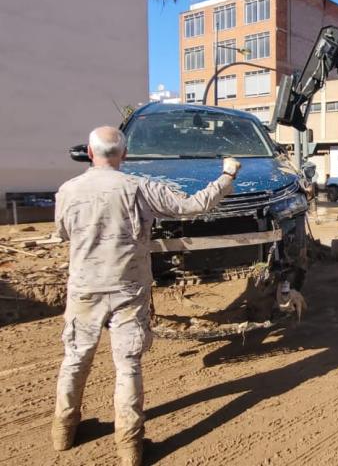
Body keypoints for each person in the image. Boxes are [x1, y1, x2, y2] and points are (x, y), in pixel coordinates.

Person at [51, 126, 246, 465]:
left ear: (90, 152)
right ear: (124, 155)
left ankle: (63, 433)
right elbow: (191, 206)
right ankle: (129, 449)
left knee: (75, 359)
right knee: (127, 366)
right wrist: (227, 175)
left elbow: (63, 232)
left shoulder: (68, 190)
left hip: (84, 289)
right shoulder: (139, 187)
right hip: (128, 289)